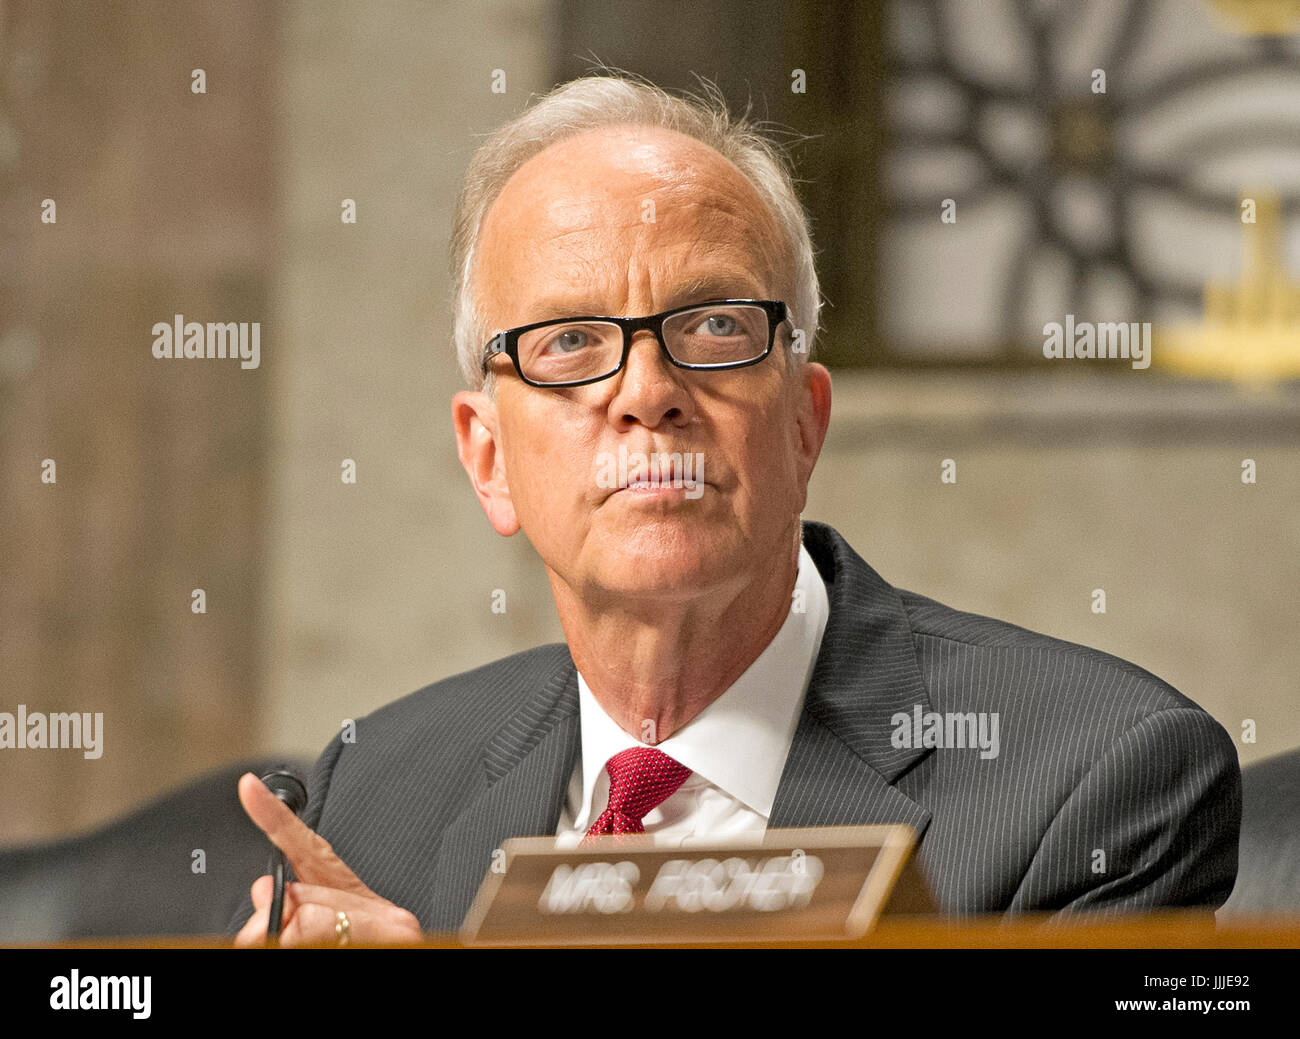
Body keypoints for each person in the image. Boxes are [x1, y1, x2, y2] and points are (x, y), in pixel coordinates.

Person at [231, 74, 1240, 946]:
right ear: (488, 458)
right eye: (570, 341)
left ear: (804, 426)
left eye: (714, 325)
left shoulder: (1098, 777)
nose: (646, 389)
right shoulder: (380, 791)